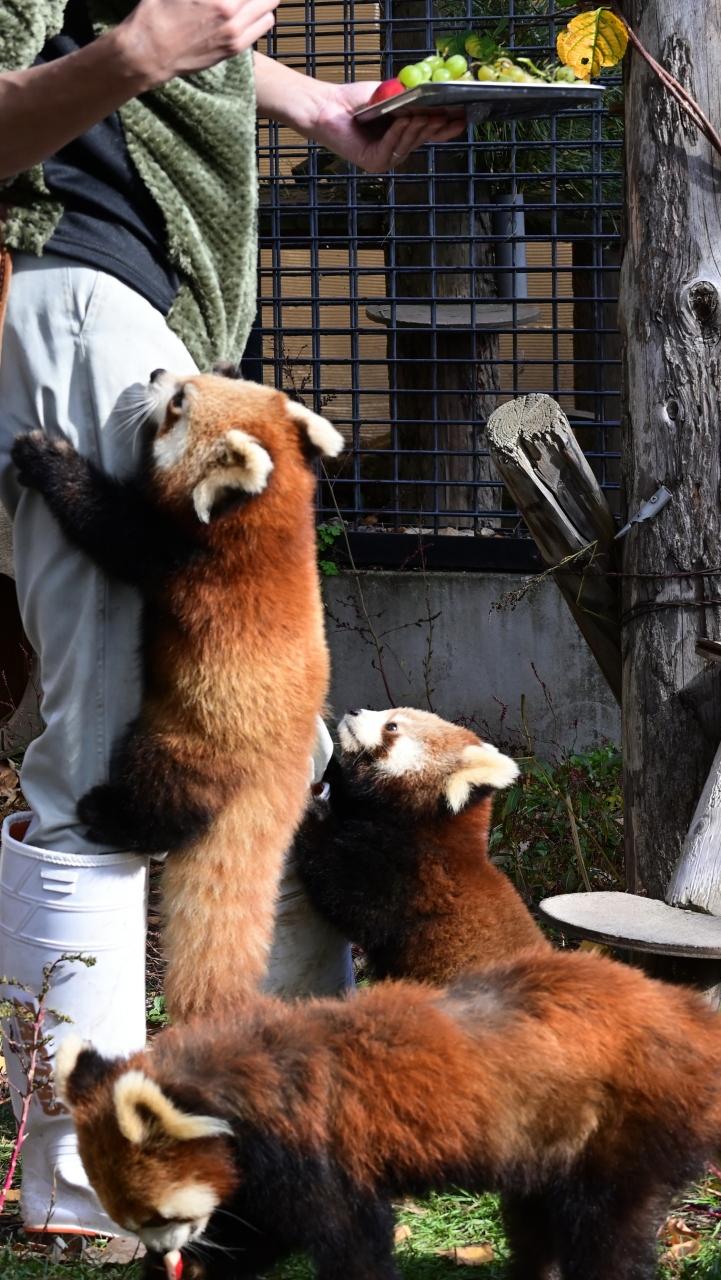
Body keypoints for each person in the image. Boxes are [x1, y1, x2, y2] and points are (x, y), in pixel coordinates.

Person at [0, 0, 463, 1238]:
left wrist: (310, 104)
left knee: (277, 774)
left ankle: (288, 1144)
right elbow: (110, 47)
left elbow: (134, 34)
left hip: (142, 310)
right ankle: (92, 1185)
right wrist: (138, 56)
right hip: (77, 296)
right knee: (105, 770)